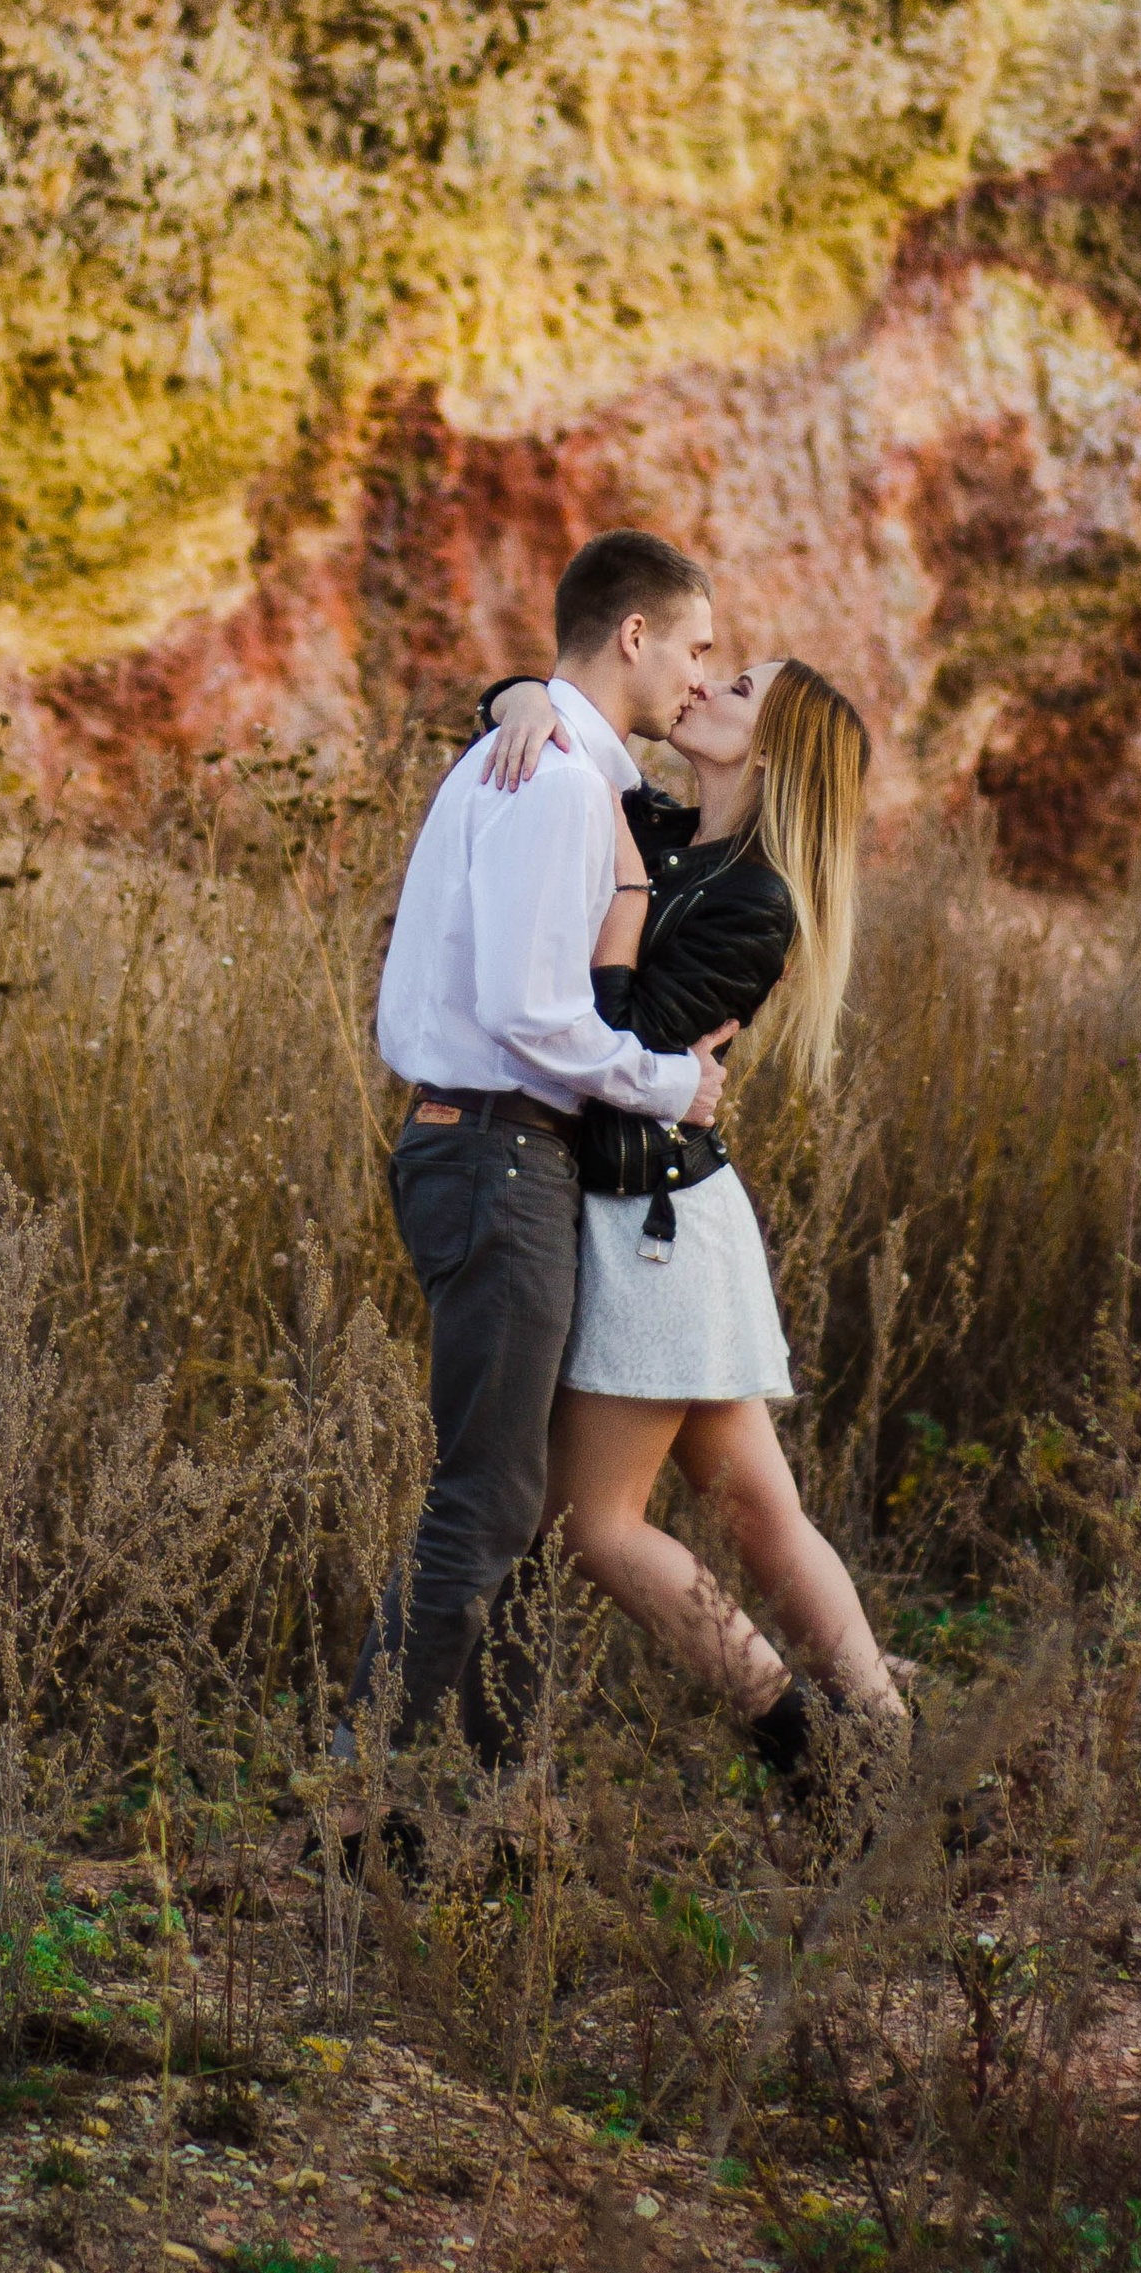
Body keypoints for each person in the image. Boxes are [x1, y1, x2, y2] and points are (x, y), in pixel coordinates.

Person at [477, 652, 908, 1794]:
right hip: (663, 1211)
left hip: (652, 1226)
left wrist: (615, 899)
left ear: (769, 751)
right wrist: (517, 697)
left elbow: (617, 1046)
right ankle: (895, 1762)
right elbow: (541, 716)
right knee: (765, 1513)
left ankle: (818, 1754)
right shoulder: (663, 827)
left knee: (595, 1524)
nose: (704, 684)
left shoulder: (756, 899)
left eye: (740, 688)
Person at [350, 530, 736, 1756]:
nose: (699, 674)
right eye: (696, 646)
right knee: (489, 1493)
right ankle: (367, 1795)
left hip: (493, 1153)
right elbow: (530, 1012)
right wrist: (667, 1081)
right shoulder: (554, 776)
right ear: (636, 634)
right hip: (496, 1152)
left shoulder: (539, 751)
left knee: (507, 1491)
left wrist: (513, 693)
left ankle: (493, 1802)